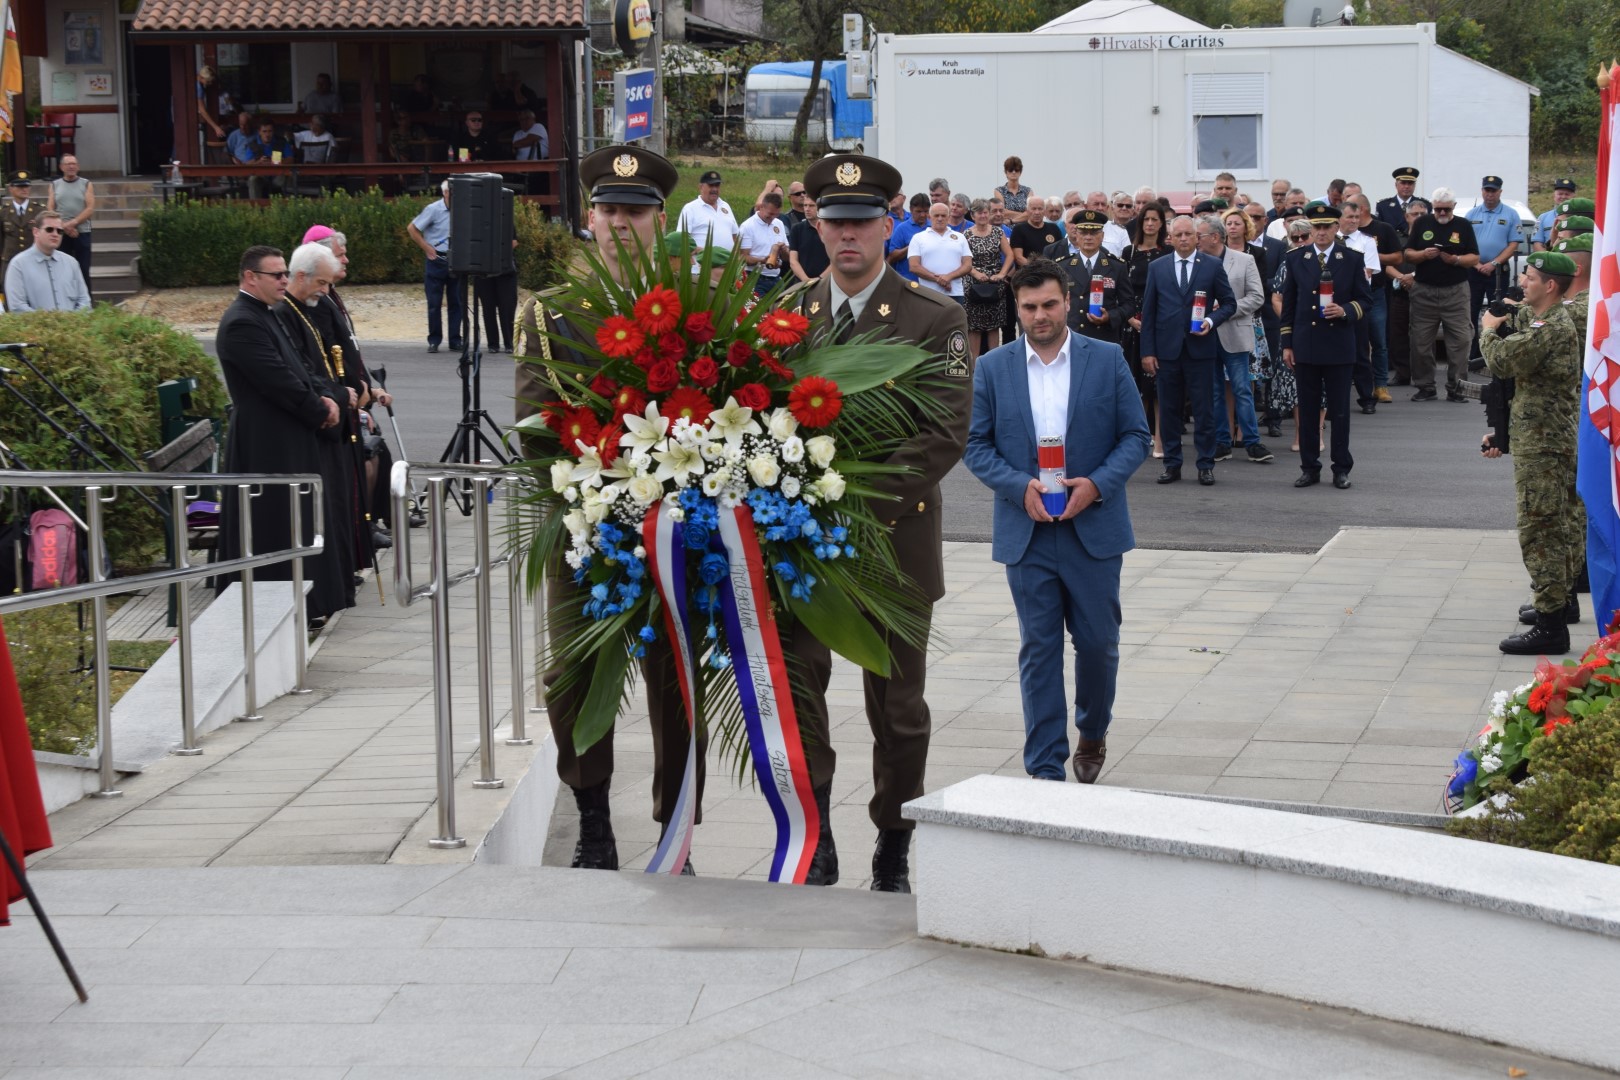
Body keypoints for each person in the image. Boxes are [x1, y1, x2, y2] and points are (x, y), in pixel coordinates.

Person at [513, 143, 703, 873]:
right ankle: (594, 819)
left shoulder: (692, 310)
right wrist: (599, 493)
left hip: (677, 528)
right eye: (610, 210)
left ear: (660, 221)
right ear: (588, 217)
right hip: (586, 527)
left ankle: (674, 829)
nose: (622, 223)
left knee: (678, 682)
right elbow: (535, 426)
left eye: (637, 212)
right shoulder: (551, 314)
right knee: (577, 677)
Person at [793, 152, 972, 893]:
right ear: (817, 224)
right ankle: (815, 834)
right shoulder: (789, 314)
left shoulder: (936, 317)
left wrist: (850, 504)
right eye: (835, 223)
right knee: (801, 694)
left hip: (893, 542)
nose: (848, 238)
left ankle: (894, 840)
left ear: (890, 223)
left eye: (862, 222)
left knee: (898, 708)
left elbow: (943, 432)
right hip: (798, 545)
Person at [963, 258, 1149, 783]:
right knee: (1038, 649)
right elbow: (974, 445)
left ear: (1067, 301)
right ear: (1015, 309)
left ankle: (1092, 729)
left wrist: (1096, 484)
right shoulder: (994, 368)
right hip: (1028, 531)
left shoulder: (1106, 359)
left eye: (1049, 304)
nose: (1040, 315)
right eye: (1029, 307)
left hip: (1092, 529)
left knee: (1097, 644)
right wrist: (1015, 485)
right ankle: (1045, 766)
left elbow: (1136, 436)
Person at [215, 245, 349, 624]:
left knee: (299, 522)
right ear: (250, 277)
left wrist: (327, 395)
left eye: (285, 274)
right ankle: (277, 608)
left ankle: (307, 602)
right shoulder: (242, 321)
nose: (284, 281)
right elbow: (277, 379)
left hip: (286, 432)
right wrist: (321, 408)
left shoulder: (267, 314)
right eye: (276, 275)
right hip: (265, 441)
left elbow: (300, 368)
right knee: (275, 526)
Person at [1480, 251, 1583, 655]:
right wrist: (1502, 435)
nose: (1524, 283)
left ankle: (1551, 624)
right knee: (1561, 523)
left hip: (1545, 442)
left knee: (1541, 530)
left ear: (1551, 286)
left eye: (1531, 278)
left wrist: (1487, 328)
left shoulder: (1553, 327)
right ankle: (1561, 602)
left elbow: (1504, 360)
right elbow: (1524, 324)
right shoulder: (1546, 319)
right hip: (1541, 435)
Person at [275, 243, 369, 594]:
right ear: (302, 276)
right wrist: (334, 396)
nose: (327, 291)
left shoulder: (307, 307)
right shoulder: (286, 313)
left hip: (335, 409)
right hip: (319, 417)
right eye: (323, 284)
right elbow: (301, 370)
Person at [1279, 203, 1371, 490]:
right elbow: (1289, 305)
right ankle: (1309, 467)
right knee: (1307, 410)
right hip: (1306, 344)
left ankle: (1341, 467)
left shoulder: (1352, 259)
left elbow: (1366, 300)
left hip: (1339, 345)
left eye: (1326, 226)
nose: (1320, 232)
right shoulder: (1296, 258)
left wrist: (1345, 310)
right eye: (1315, 227)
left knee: (1339, 411)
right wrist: (1287, 344)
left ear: (1335, 228)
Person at [1139, 215, 1236, 486]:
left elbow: (1229, 303)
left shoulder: (1212, 266)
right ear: (1170, 238)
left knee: (1204, 410)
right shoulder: (1158, 267)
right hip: (1167, 351)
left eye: (1187, 234)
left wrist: (1210, 320)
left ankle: (1205, 464)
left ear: (1197, 237)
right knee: (1169, 410)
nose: (1183, 239)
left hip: (1200, 349)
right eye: (1178, 234)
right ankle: (1172, 463)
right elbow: (1149, 311)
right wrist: (1148, 352)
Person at [1199, 215, 1271, 464]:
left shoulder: (1244, 260)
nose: (1197, 241)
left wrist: (1226, 309)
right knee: (1216, 391)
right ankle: (1222, 442)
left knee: (1242, 389)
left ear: (1215, 237)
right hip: (1205, 335)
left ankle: (1252, 442)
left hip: (1235, 331)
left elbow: (1256, 297)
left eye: (1201, 236)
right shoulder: (1198, 262)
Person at [1405, 187, 1477, 403]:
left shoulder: (1463, 225)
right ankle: (1425, 387)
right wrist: (1423, 255)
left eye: (1446, 209)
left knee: (1461, 341)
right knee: (1420, 341)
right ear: (1432, 207)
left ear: (1454, 207)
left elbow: (1474, 258)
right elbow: (1408, 253)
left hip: (1455, 291)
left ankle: (1457, 387)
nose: (1442, 213)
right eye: (1437, 209)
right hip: (1424, 291)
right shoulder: (1421, 223)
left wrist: (1455, 260)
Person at [1123, 203, 1171, 457]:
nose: (1150, 223)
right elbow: (1122, 292)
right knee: (1136, 386)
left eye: (1155, 219)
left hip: (1161, 324)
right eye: (1146, 219)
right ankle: (1141, 437)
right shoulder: (1128, 252)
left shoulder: (1170, 252)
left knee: (1159, 386)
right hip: (1133, 325)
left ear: (1162, 223)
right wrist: (1130, 318)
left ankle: (1161, 439)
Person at [1347, 193, 1403, 404]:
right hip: (1346, 297)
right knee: (1354, 343)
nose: (1352, 219)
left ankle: (1380, 384)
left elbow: (1374, 269)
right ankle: (1357, 384)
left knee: (1378, 340)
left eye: (1354, 213)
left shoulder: (1379, 232)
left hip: (1374, 294)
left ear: (1362, 209)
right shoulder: (1340, 237)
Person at [1058, 209, 1134, 348]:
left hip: (1104, 337)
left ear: (1102, 235)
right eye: (1083, 233)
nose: (1088, 237)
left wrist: (1110, 316)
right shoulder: (1062, 266)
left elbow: (1129, 304)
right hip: (1073, 337)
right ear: (1076, 235)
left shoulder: (1116, 266)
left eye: (1094, 233)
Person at [1465, 175, 1521, 361]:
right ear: (1482, 191)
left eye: (1493, 191)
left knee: (1498, 310)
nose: (1490, 194)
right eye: (1487, 190)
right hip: (1473, 271)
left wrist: (1493, 263)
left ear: (1500, 192)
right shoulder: (1471, 215)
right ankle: (1473, 354)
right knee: (1470, 312)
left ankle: (1496, 353)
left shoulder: (1511, 214)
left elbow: (1514, 244)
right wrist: (1477, 264)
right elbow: (1464, 245)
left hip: (1497, 272)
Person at [406, 180, 463, 354]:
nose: (454, 196)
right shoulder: (433, 209)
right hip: (436, 259)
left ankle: (455, 340)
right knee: (434, 303)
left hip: (456, 260)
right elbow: (412, 228)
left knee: (456, 302)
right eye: (451, 193)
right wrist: (426, 247)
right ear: (445, 193)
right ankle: (434, 340)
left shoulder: (462, 209)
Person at [4, 210, 90, 312]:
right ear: (36, 232)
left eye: (59, 231)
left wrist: (72, 322)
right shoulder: (18, 264)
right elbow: (17, 307)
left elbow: (84, 301)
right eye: (49, 229)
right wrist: (49, 322)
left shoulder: (71, 263)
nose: (55, 234)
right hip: (36, 327)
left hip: (73, 326)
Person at [963, 197, 1013, 358]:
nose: (983, 216)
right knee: (974, 327)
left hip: (994, 284)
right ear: (973, 215)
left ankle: (993, 363)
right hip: (973, 284)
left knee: (994, 325)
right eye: (979, 213)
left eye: (985, 212)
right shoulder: (966, 235)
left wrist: (1002, 274)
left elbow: (1010, 255)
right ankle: (975, 367)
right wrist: (976, 273)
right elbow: (962, 260)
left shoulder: (998, 232)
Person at [46, 155, 92, 300]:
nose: (71, 167)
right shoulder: (54, 185)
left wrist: (72, 224)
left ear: (78, 166)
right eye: (68, 164)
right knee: (61, 269)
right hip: (60, 233)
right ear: (61, 167)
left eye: (74, 164)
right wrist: (63, 227)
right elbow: (50, 209)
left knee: (83, 269)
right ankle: (63, 301)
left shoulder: (86, 184)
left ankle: (86, 303)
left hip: (81, 231)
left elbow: (90, 208)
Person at [676, 169, 738, 272]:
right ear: (701, 187)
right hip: (701, 270)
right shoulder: (690, 208)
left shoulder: (725, 206)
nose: (714, 189)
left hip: (726, 270)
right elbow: (682, 240)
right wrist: (706, 252)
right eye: (711, 185)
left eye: (717, 186)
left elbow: (735, 235)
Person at [908, 202, 972, 300]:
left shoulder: (960, 237)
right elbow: (914, 266)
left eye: (943, 215)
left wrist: (949, 277)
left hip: (955, 293)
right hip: (927, 293)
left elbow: (968, 265)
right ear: (929, 217)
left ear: (949, 217)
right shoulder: (918, 238)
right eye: (936, 215)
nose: (940, 218)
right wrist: (938, 279)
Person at [738, 191, 790, 296]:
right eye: (770, 214)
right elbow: (742, 258)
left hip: (776, 279)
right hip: (755, 279)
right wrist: (762, 260)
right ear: (761, 207)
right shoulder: (747, 226)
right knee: (759, 312)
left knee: (781, 311)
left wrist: (784, 250)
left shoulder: (778, 223)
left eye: (776, 214)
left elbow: (786, 257)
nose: (773, 218)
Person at [0, 172, 37, 290]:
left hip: (33, 261)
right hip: (10, 260)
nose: (24, 189)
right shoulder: (3, 212)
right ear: (11, 188)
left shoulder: (39, 210)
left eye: (26, 186)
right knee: (10, 293)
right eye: (20, 186)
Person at [887, 193, 930, 281]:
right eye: (918, 211)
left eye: (925, 211)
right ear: (911, 209)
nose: (922, 215)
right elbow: (892, 255)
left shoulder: (933, 227)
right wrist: (912, 246)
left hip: (930, 282)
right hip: (907, 281)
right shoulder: (902, 228)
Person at [1011, 196, 1060, 268]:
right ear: (1027, 210)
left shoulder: (1054, 228)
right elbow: (1018, 258)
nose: (1037, 212)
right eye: (1033, 209)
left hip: (1051, 272)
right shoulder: (1019, 229)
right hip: (1028, 273)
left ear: (1045, 211)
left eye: (1040, 209)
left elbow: (1060, 253)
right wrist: (1037, 269)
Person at [787, 195, 828, 282]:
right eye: (805, 205)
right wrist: (806, 280)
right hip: (802, 283)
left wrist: (820, 279)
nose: (807, 209)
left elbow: (835, 261)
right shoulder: (797, 229)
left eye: (811, 205)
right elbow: (793, 260)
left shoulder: (830, 229)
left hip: (826, 282)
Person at [1375, 166, 1420, 241]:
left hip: (1415, 246)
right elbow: (1379, 231)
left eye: (1410, 183)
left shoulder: (1423, 205)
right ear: (1396, 185)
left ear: (1414, 185)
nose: (1406, 186)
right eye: (1403, 183)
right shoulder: (1383, 206)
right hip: (1392, 247)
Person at [1533, 179, 1578, 251]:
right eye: (1560, 194)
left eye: (1567, 194)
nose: (1563, 197)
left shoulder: (1580, 217)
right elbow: (1537, 243)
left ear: (1573, 196)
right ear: (1554, 195)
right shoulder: (1543, 218)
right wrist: (1548, 258)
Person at [996, 156, 1029, 221]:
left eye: (1016, 170)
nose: (1014, 172)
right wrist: (1024, 215)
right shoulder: (999, 191)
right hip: (1006, 227)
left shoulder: (1028, 191)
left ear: (1020, 172)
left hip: (1024, 227)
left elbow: (1031, 213)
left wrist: (1012, 220)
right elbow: (1002, 212)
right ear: (1006, 172)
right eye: (1010, 170)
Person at [1104, 191, 1134, 257]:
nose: (1124, 208)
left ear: (1133, 210)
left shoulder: (1138, 228)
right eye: (1120, 205)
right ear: (1112, 208)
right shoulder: (1104, 227)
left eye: (1128, 206)